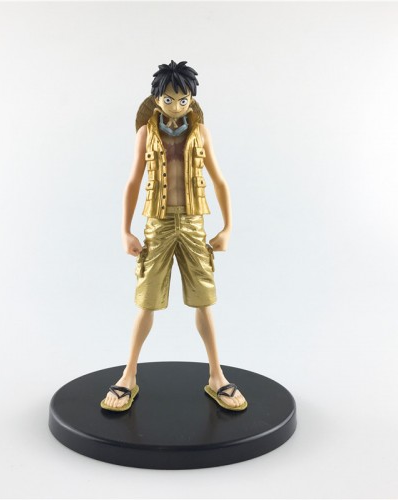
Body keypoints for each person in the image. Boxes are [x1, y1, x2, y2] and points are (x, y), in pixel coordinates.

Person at [100, 60, 247, 412]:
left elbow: (220, 180)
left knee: (204, 301)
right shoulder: (146, 133)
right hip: (158, 224)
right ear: (156, 99)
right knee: (146, 301)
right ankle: (129, 375)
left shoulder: (201, 132)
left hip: (194, 224)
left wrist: (228, 227)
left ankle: (217, 376)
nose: (177, 106)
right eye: (169, 99)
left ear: (191, 100)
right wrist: (125, 231)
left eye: (183, 100)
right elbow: (133, 181)